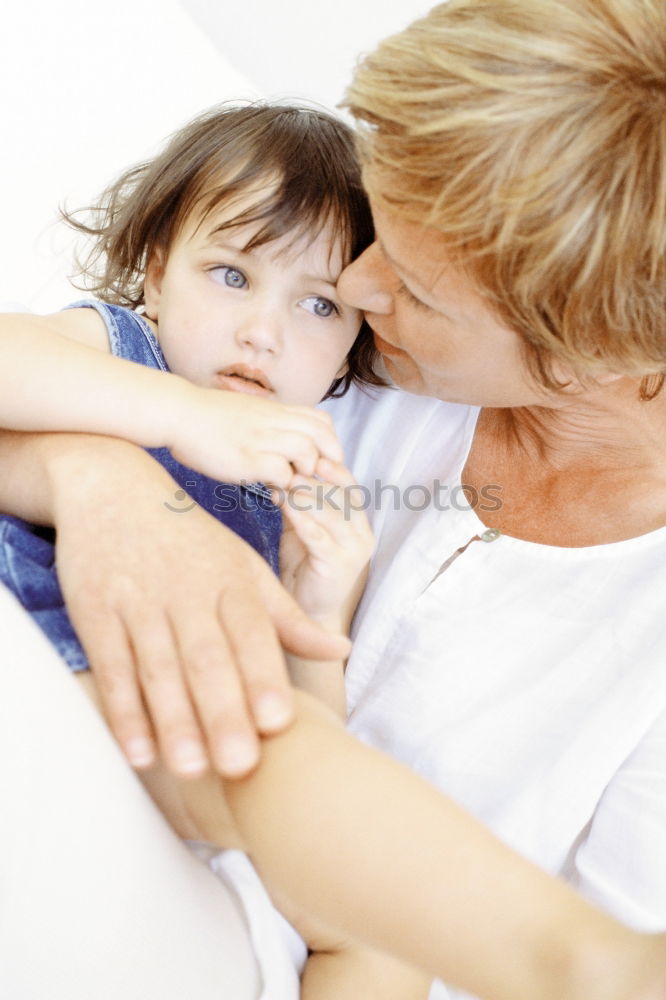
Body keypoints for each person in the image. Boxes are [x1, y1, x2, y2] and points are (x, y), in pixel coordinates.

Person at [0, 0, 665, 998]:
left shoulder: (319, 372)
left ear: (583, 360)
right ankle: (570, 960)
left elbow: (311, 688)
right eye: (376, 226)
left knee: (372, 924)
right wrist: (115, 481)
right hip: (110, 701)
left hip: (249, 874)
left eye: (413, 288)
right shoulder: (246, 376)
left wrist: (320, 619)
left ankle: (573, 962)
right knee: (272, 758)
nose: (351, 288)